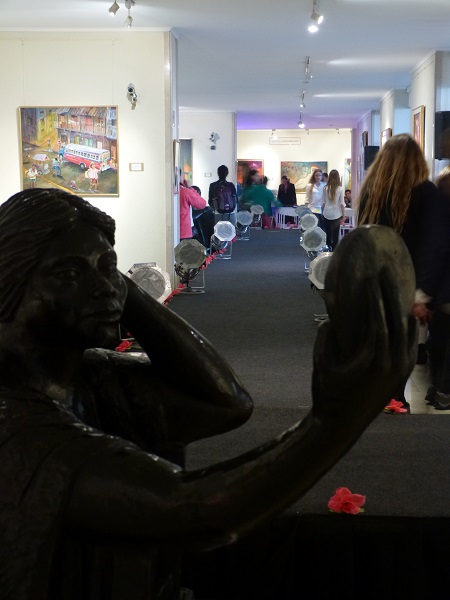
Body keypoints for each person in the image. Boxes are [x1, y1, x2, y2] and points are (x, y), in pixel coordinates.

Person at [0, 188, 416, 599]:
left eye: (107, 269)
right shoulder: (15, 421)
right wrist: (334, 422)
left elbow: (224, 402)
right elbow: (194, 510)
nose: (104, 288)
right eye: (70, 274)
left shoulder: (91, 377)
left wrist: (120, 287)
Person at [357, 133, 450, 412]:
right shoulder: (425, 193)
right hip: (408, 282)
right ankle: (395, 398)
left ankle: (381, 395)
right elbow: (436, 244)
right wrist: (423, 292)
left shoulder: (372, 192)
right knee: (403, 345)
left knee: (379, 342)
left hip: (376, 280)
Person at [426, 166, 450, 409]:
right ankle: (443, 390)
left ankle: (436, 388)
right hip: (443, 289)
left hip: (437, 290)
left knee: (438, 341)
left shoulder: (436, 214)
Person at [321, 169, 345, 251]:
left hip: (326, 213)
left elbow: (323, 203)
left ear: (329, 177)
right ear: (338, 177)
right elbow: (342, 204)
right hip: (337, 214)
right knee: (335, 235)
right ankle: (334, 251)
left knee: (328, 234)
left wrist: (322, 213)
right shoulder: (340, 189)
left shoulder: (325, 188)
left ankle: (328, 248)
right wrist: (343, 216)